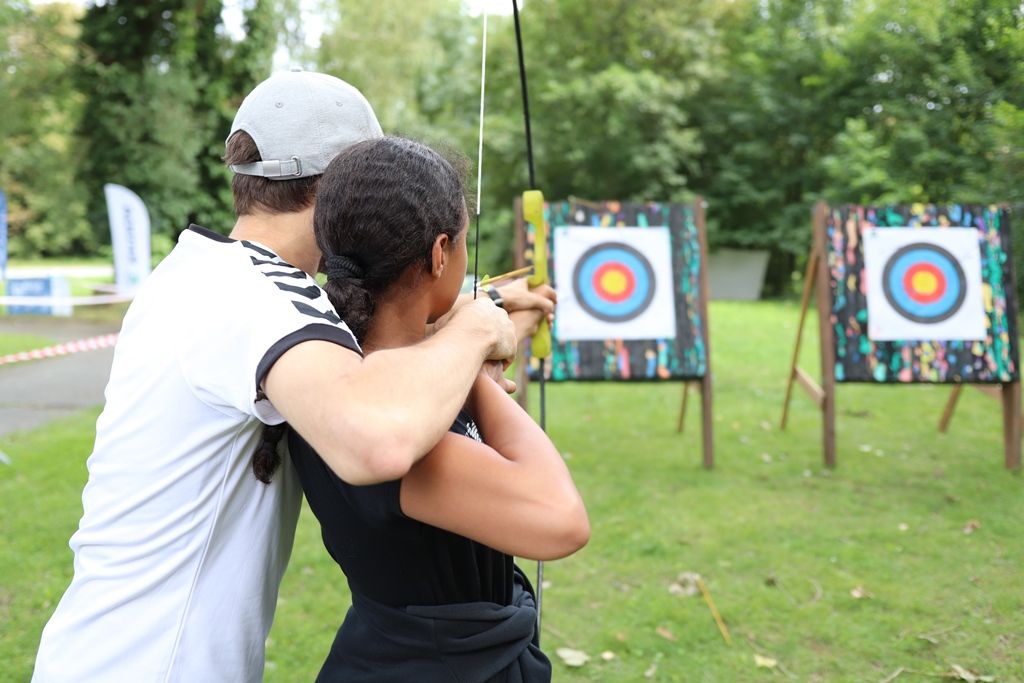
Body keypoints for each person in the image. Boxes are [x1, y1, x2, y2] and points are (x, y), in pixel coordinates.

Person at [32, 71, 554, 682]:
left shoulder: (213, 272)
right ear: (340, 188)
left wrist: (478, 315)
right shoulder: (261, 299)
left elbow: (373, 343)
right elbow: (376, 439)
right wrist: (475, 331)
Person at [288, 136, 589, 682]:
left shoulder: (331, 372)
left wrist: (486, 329)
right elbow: (560, 520)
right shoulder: (388, 418)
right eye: (464, 243)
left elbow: (429, 362)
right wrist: (475, 355)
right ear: (439, 253)